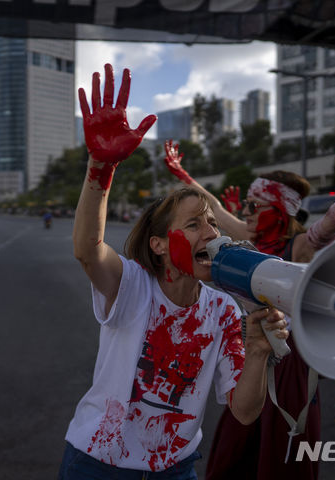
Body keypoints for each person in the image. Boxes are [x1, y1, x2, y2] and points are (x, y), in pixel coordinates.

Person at [59, 63, 290, 479]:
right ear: (159, 245)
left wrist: (257, 350)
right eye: (194, 224)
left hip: (176, 469)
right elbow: (87, 250)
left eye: (214, 223)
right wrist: (100, 166)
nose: (212, 233)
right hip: (98, 464)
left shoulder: (223, 310)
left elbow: (243, 410)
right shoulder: (131, 285)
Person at [163, 116, 335, 479]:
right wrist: (183, 176)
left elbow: (328, 227)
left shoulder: (295, 246)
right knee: (240, 446)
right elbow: (214, 207)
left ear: (280, 210)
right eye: (246, 205)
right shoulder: (247, 236)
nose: (246, 213)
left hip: (286, 366)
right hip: (250, 355)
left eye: (255, 205)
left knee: (281, 452)